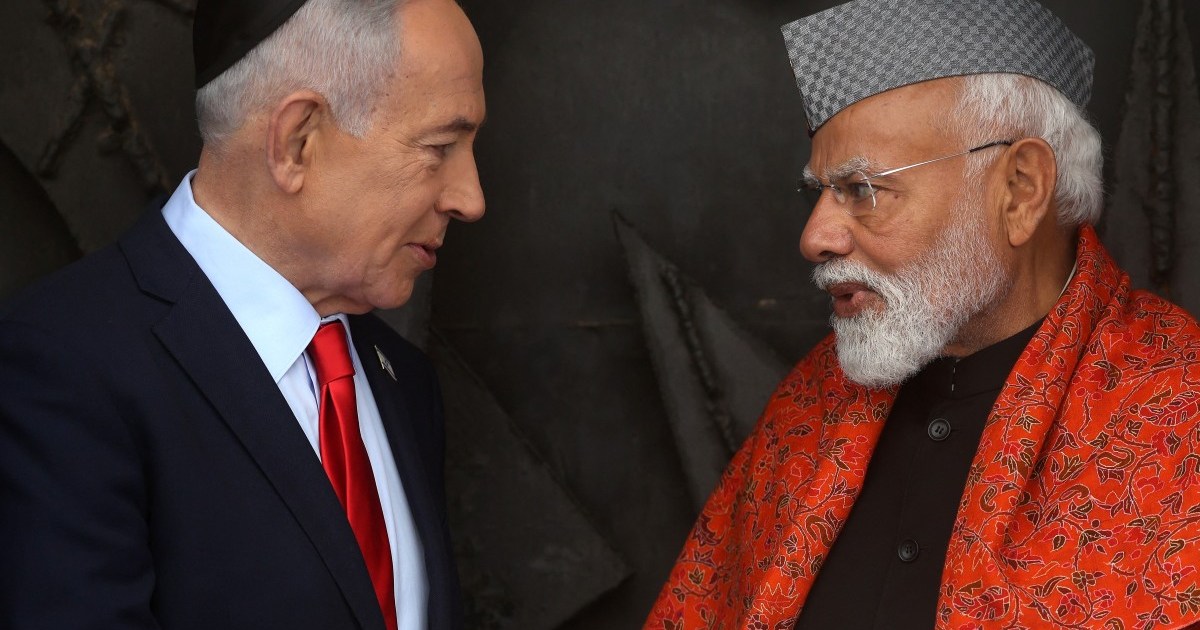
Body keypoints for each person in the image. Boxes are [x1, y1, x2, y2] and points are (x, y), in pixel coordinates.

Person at [646, 0, 1200, 628]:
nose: (815, 237)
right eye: (820, 192)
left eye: (862, 190)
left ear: (1020, 190)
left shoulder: (1179, 411)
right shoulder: (811, 403)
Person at [0, 0, 484, 628]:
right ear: (297, 141)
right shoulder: (64, 370)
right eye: (440, 147)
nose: (471, 198)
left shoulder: (403, 382)